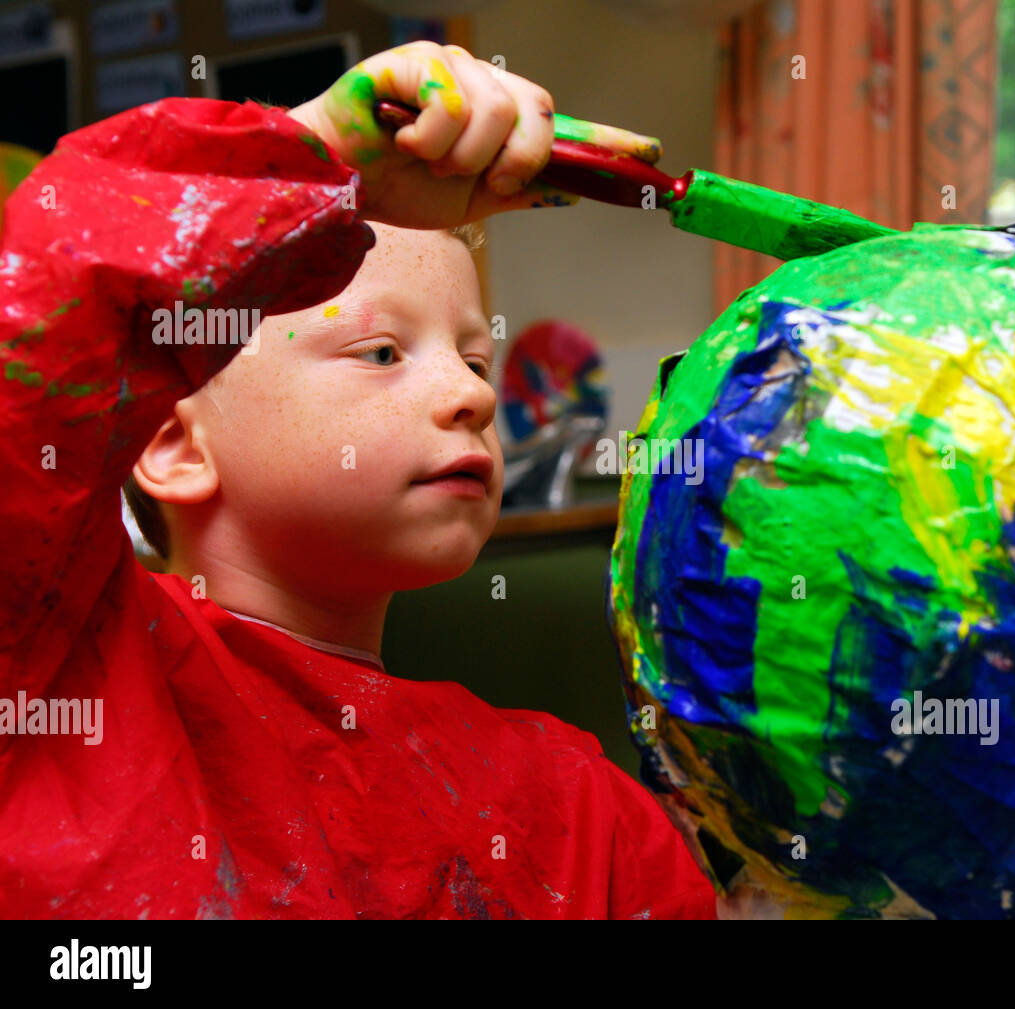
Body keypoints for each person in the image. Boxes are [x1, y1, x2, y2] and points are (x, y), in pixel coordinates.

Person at [0, 42, 717, 919]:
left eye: (475, 357)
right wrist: (310, 160)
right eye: (380, 352)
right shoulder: (61, 683)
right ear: (175, 443)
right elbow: (35, 321)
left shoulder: (583, 810)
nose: (470, 395)